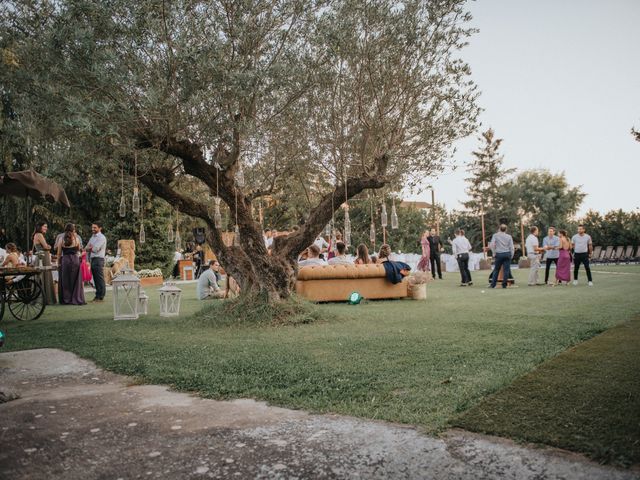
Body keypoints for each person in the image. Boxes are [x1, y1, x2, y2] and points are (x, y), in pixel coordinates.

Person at [57, 223, 85, 305]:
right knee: (76, 280)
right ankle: (76, 298)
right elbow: (79, 249)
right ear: (73, 230)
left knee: (66, 281)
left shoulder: (61, 239)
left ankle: (67, 299)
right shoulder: (76, 239)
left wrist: (58, 263)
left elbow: (59, 253)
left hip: (65, 260)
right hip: (75, 260)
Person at [32, 222, 57, 305]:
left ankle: (38, 299)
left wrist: (48, 246)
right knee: (44, 277)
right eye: (45, 226)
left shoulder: (36, 235)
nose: (46, 228)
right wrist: (49, 246)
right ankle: (45, 299)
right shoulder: (39, 235)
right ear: (40, 227)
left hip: (40, 256)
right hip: (43, 257)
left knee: (41, 277)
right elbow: (46, 247)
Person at [85, 222, 107, 302]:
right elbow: (87, 247)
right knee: (95, 278)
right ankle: (97, 295)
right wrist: (90, 248)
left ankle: (101, 296)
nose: (93, 229)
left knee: (99, 278)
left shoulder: (102, 237)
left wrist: (90, 248)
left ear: (100, 228)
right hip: (93, 259)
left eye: (95, 227)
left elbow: (95, 249)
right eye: (92, 227)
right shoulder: (92, 237)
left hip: (98, 259)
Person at [489, 224, 514, 289]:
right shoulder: (509, 236)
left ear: (499, 229)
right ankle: (504, 285)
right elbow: (512, 247)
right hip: (507, 254)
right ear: (506, 229)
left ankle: (493, 284)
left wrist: (494, 253)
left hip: (499, 254)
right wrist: (512, 255)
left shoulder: (495, 235)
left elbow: (491, 245)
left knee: (496, 269)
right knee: (506, 270)